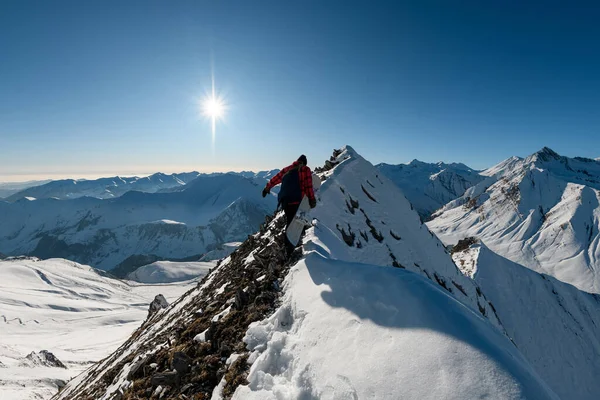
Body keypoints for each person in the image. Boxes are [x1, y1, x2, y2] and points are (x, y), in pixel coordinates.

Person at [262, 154, 316, 228]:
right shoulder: (305, 169)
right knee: (295, 225)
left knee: (290, 221)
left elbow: (276, 178)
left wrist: (267, 188)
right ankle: (290, 238)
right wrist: (312, 199)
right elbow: (308, 186)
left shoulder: (288, 169)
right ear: (304, 163)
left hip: (285, 201)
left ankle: (289, 236)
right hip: (297, 201)